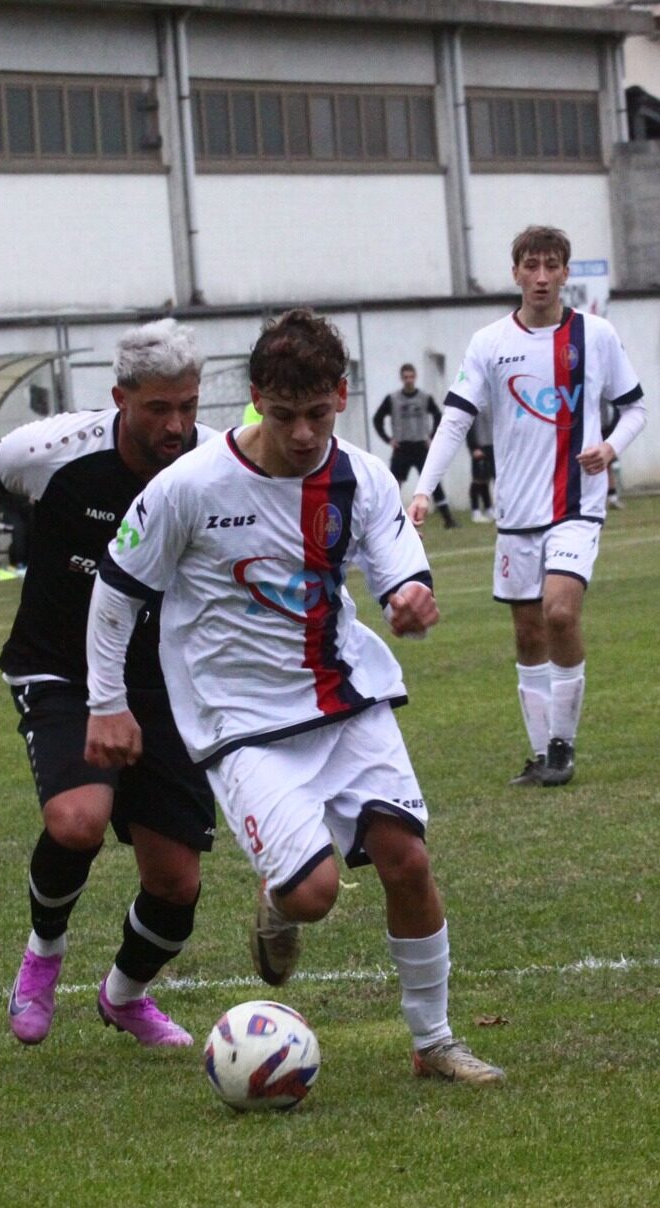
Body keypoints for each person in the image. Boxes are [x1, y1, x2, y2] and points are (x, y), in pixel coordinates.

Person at [85, 308, 505, 1085]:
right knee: (313, 895)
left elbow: (396, 567)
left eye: (317, 414)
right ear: (253, 399)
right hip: (239, 722)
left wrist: (413, 597)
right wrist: (106, 702)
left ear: (341, 396)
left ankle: (434, 1041)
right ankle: (280, 901)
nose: (303, 434)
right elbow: (114, 593)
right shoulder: (191, 487)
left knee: (406, 858)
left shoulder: (361, 477)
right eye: (284, 416)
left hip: (344, 698)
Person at [0, 319, 216, 1049]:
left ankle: (123, 997)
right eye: (159, 408)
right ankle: (44, 953)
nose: (177, 425)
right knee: (77, 822)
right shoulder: (55, 451)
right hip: (57, 664)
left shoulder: (210, 463)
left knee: (175, 884)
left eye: (187, 406)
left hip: (161, 678)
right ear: (120, 397)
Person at [411, 225, 648, 788]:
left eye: (552, 266)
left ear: (566, 272)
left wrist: (610, 447)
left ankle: (563, 746)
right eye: (531, 266)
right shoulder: (490, 342)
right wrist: (424, 487)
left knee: (560, 613)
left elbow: (635, 408)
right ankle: (540, 752)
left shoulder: (597, 335)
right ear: (515, 272)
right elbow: (456, 419)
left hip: (576, 504)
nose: (541, 277)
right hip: (516, 514)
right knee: (526, 633)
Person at [375, 363, 456, 529]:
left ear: (415, 377)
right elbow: (377, 419)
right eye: (405, 377)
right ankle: (386, 521)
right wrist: (388, 439)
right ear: (401, 378)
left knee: (433, 482)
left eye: (411, 377)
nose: (409, 380)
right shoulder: (393, 399)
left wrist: (432, 436)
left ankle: (448, 519)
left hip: (420, 446)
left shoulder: (425, 398)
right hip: (402, 447)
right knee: (393, 485)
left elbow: (438, 415)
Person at [465, 407, 495, 523]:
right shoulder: (474, 404)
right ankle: (475, 510)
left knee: (487, 478)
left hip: (492, 443)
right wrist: (473, 447)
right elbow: (468, 427)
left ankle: (488, 508)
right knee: (478, 480)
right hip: (479, 446)